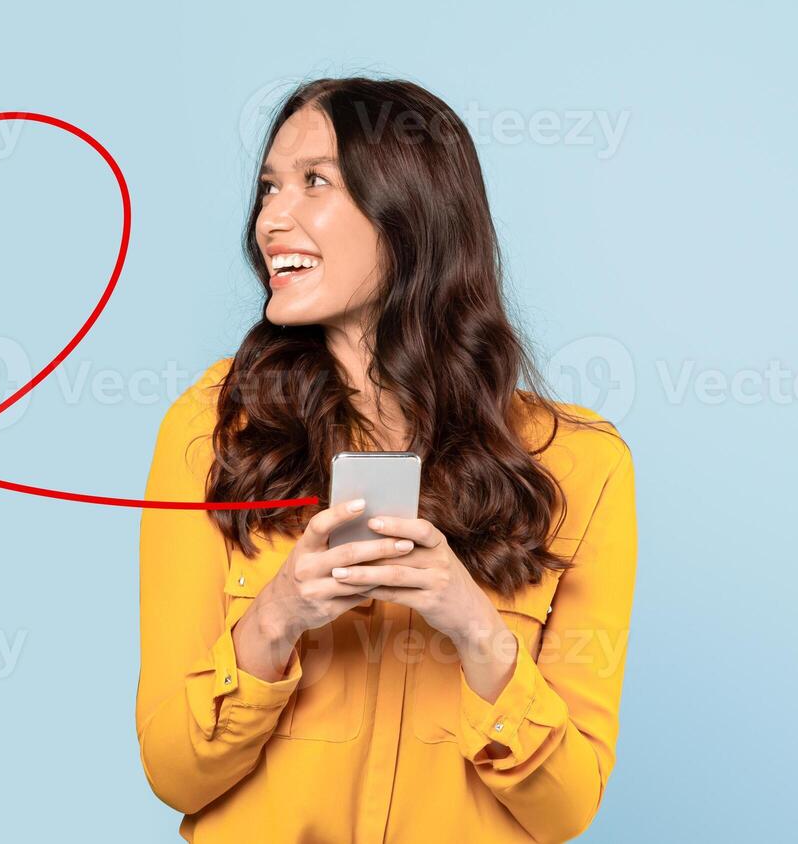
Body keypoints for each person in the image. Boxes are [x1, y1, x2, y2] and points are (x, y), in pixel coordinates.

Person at [136, 77, 635, 842]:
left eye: (315, 183)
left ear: (411, 215)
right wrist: (276, 619)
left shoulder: (579, 466)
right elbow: (174, 771)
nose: (272, 217)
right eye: (268, 187)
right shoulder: (211, 433)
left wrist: (477, 631)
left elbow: (565, 809)